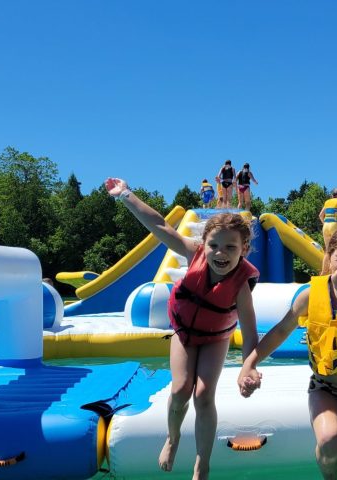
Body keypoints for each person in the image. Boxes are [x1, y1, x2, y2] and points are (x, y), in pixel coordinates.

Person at [105, 177, 259, 480]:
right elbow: (159, 225)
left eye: (231, 247)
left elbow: (251, 332)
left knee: (203, 395)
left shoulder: (240, 283)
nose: (220, 253)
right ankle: (172, 438)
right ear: (204, 245)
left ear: (244, 249)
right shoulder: (195, 253)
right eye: (214, 245)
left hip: (216, 337)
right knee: (179, 389)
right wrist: (125, 195)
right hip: (186, 332)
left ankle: (202, 462)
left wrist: (248, 368)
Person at [237, 225, 337, 479]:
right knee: (329, 440)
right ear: (329, 259)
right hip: (325, 387)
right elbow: (280, 331)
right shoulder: (310, 295)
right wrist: (250, 363)